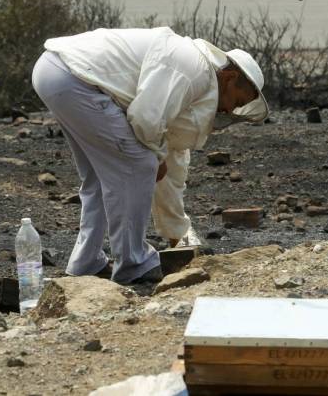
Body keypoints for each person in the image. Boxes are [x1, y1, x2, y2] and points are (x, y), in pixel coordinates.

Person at [31, 27, 268, 285]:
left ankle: (86, 263)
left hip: (54, 72)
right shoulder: (194, 71)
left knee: (101, 177)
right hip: (74, 78)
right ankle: (134, 264)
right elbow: (145, 119)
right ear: (229, 78)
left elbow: (173, 157)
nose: (230, 108)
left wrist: (176, 230)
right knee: (139, 164)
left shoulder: (195, 77)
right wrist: (155, 158)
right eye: (237, 99)